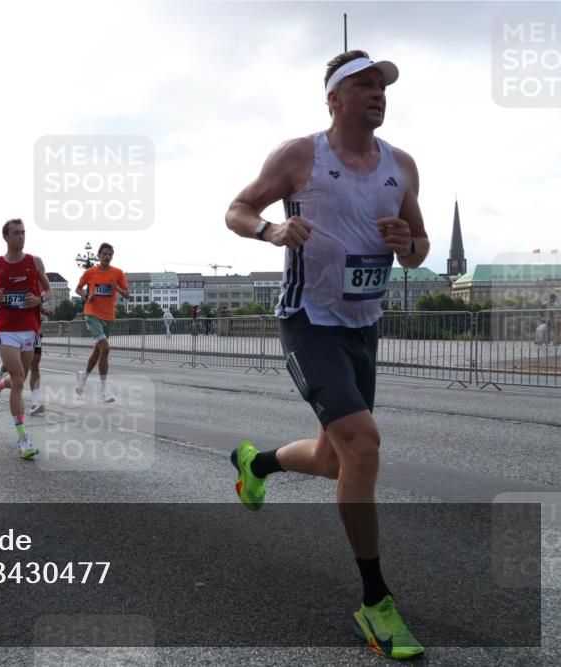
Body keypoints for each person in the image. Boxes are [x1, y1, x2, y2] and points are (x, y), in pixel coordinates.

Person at [224, 50, 428, 659]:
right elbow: (237, 209)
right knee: (363, 444)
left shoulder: (402, 166)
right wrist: (271, 230)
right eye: (364, 85)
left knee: (335, 460)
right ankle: (375, 603)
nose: (379, 94)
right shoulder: (300, 156)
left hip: (363, 325)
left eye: (383, 86)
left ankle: (256, 466)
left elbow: (418, 251)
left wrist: (407, 242)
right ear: (334, 98)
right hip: (309, 322)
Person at [0, 219, 53, 458]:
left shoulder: (34, 261)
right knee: (19, 379)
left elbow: (49, 291)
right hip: (7, 328)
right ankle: (23, 439)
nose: (21, 237)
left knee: (18, 381)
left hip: (30, 328)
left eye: (23, 233)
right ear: (6, 237)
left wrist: (39, 300)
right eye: (16, 233)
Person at [74, 243, 128, 403]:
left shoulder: (117, 273)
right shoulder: (90, 272)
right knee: (105, 348)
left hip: (108, 317)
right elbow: (78, 288)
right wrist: (86, 296)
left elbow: (127, 295)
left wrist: (116, 288)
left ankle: (83, 377)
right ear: (98, 255)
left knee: (98, 352)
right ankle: (104, 389)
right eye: (104, 254)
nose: (107, 257)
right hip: (92, 314)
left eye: (110, 254)